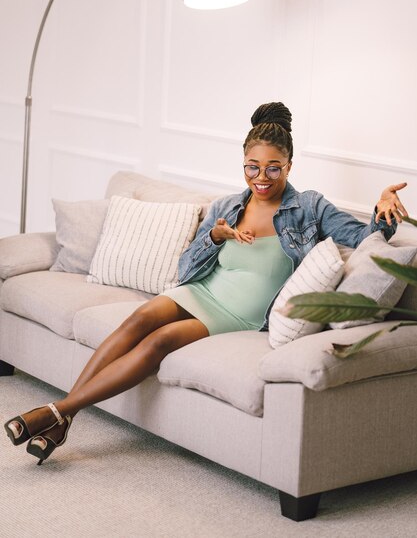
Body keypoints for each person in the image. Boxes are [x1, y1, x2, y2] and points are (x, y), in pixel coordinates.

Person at [4, 102, 409, 465]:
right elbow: (186, 271)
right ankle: (63, 415)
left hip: (242, 312)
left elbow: (363, 239)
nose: (261, 177)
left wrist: (384, 209)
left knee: (157, 343)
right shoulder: (227, 206)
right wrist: (215, 237)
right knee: (137, 319)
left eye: (273, 168)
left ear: (288, 166)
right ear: (243, 163)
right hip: (203, 289)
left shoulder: (309, 208)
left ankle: (58, 412)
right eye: (253, 166)